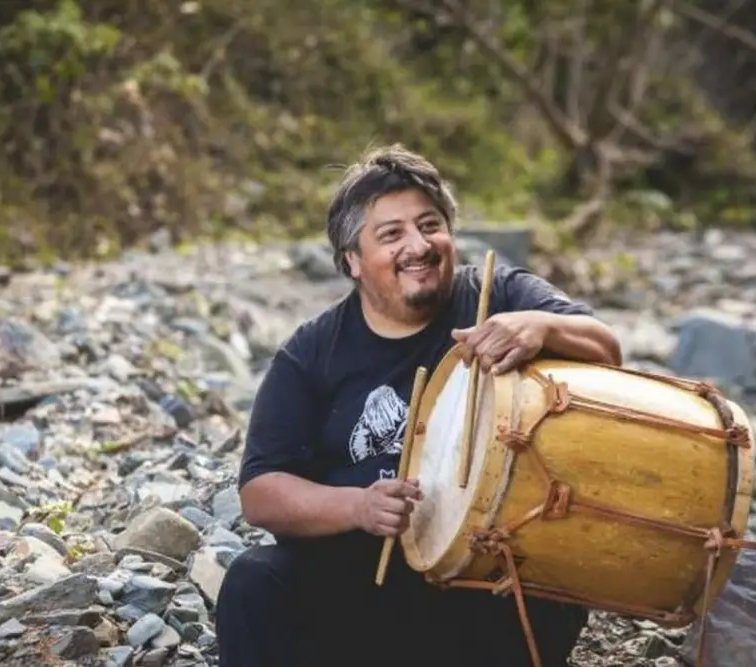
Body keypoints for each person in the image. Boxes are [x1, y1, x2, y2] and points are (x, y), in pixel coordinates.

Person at [214, 144, 623, 667]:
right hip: (363, 584)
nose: (419, 246)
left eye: (430, 225)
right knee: (254, 581)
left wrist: (540, 327)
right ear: (352, 261)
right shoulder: (312, 353)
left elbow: (606, 348)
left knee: (544, 591)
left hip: (485, 580)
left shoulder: (499, 294)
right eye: (392, 235)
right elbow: (261, 492)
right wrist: (358, 507)